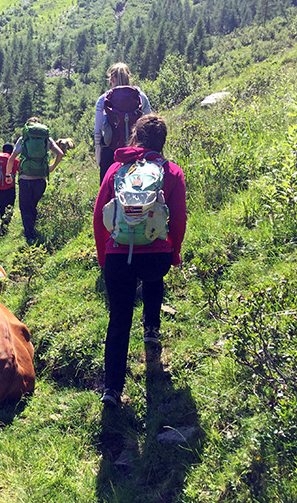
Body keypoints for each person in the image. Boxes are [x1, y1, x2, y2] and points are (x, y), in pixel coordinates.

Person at [92, 114, 186, 407]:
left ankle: (112, 390)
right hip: (156, 254)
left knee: (119, 319)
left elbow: (98, 216)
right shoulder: (171, 172)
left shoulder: (116, 169)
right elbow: (179, 218)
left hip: (119, 254)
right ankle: (151, 331)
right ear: (163, 142)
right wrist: (174, 251)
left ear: (135, 137)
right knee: (154, 279)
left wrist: (103, 254)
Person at [6, 117, 64, 245]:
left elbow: (11, 159)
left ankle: (30, 237)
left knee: (25, 207)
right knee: (32, 206)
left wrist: (8, 175)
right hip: (41, 180)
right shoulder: (46, 139)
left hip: (25, 178)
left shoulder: (24, 139)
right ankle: (32, 231)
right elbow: (60, 154)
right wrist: (52, 167)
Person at [94, 62, 152, 184]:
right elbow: (150, 124)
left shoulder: (103, 99)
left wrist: (99, 158)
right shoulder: (141, 96)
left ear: (112, 79)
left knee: (107, 195)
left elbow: (98, 133)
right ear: (128, 77)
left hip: (111, 153)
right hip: (136, 151)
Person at [0, 143, 19, 222]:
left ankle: (3, 224)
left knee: (2, 207)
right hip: (10, 188)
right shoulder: (15, 161)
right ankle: (6, 226)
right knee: (10, 207)